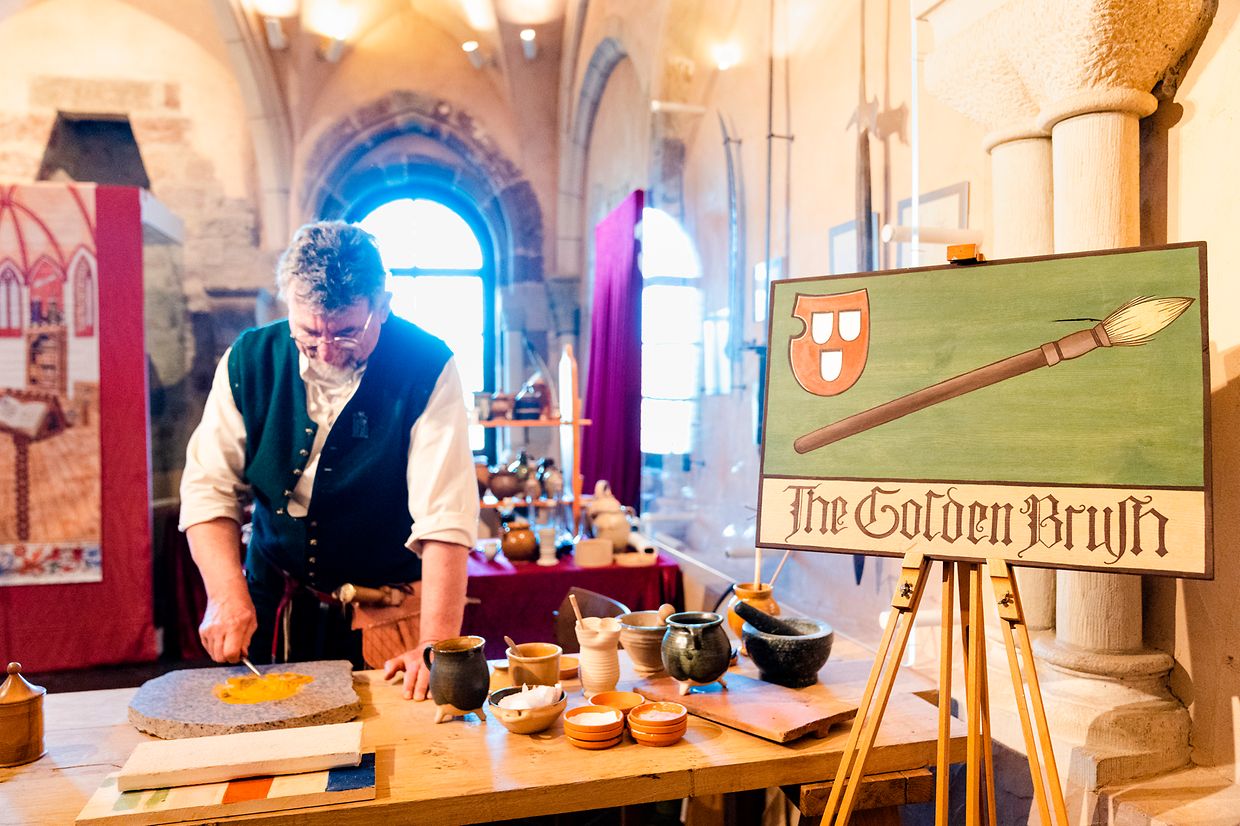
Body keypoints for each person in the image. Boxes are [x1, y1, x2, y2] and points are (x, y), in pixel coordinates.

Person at [179, 220, 479, 701]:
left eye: (346, 332)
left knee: (390, 739)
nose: (326, 351)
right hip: (274, 599)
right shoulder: (248, 360)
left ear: (383, 305)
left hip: (385, 611)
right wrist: (225, 594)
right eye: (308, 332)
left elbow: (445, 515)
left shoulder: (426, 365)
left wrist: (435, 642)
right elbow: (207, 488)